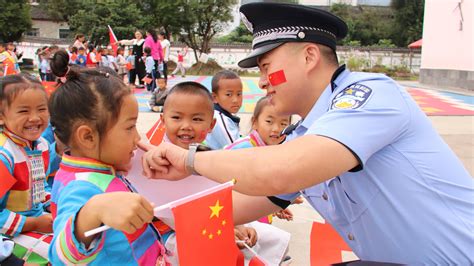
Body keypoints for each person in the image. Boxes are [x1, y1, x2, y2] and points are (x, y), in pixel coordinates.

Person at [140, 2, 473, 264]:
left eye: (267, 67)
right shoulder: (305, 135)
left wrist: (190, 160)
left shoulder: (370, 95)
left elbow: (281, 170)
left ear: (310, 56)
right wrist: (139, 192)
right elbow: (230, 206)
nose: (263, 81)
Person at [47, 50, 169, 265]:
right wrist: (92, 212)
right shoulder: (81, 187)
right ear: (87, 137)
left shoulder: (95, 165)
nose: (137, 137)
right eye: (130, 127)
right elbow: (60, 257)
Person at [158, 82, 291, 265]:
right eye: (176, 117)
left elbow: (220, 200)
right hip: (171, 236)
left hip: (213, 219)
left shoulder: (206, 155)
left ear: (211, 125)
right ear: (162, 119)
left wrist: (237, 224)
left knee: (268, 236)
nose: (186, 126)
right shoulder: (157, 159)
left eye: (197, 119)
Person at [0, 74, 60, 263]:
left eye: (42, 109)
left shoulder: (40, 145)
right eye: (23, 111)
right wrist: (33, 223)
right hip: (8, 233)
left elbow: (40, 188)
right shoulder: (4, 155)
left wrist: (53, 204)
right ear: (1, 117)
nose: (34, 118)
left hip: (35, 220)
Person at [205, 70, 243, 150]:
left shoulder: (224, 114)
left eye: (239, 94)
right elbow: (236, 149)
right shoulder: (221, 119)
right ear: (214, 98)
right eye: (229, 94)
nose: (235, 100)